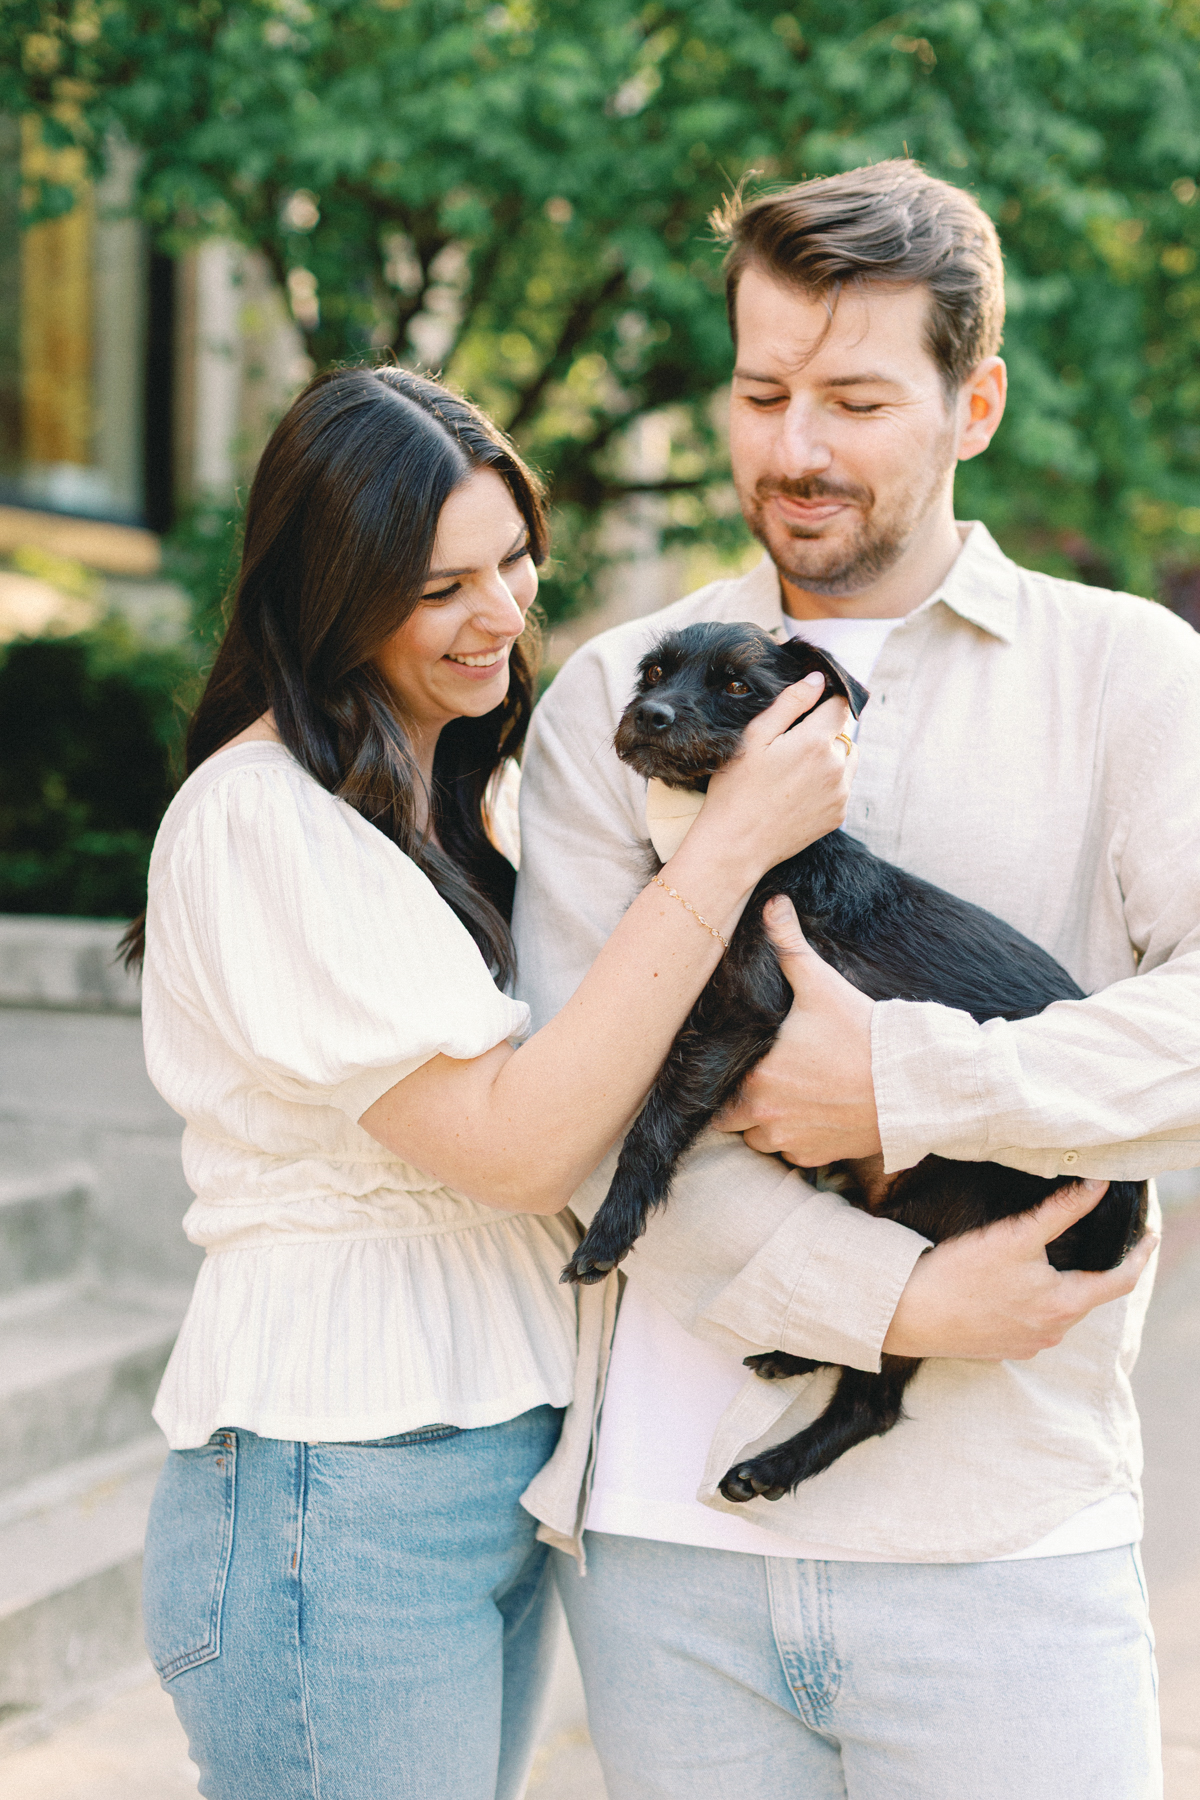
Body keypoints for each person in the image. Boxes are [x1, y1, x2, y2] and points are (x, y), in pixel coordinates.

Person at [514, 160, 1200, 1798]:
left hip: (1006, 1549)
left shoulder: (1132, 676)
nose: (794, 446)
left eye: (855, 398)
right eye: (760, 391)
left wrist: (907, 1079)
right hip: (665, 1563)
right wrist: (893, 1301)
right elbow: (576, 1102)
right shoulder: (614, 693)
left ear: (977, 402)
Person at [133, 365, 855, 1800]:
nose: (505, 617)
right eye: (439, 586)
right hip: (332, 1489)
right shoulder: (259, 821)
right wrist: (727, 850)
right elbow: (520, 1144)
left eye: (516, 560)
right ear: (328, 593)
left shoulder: (458, 802)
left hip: (481, 1469)